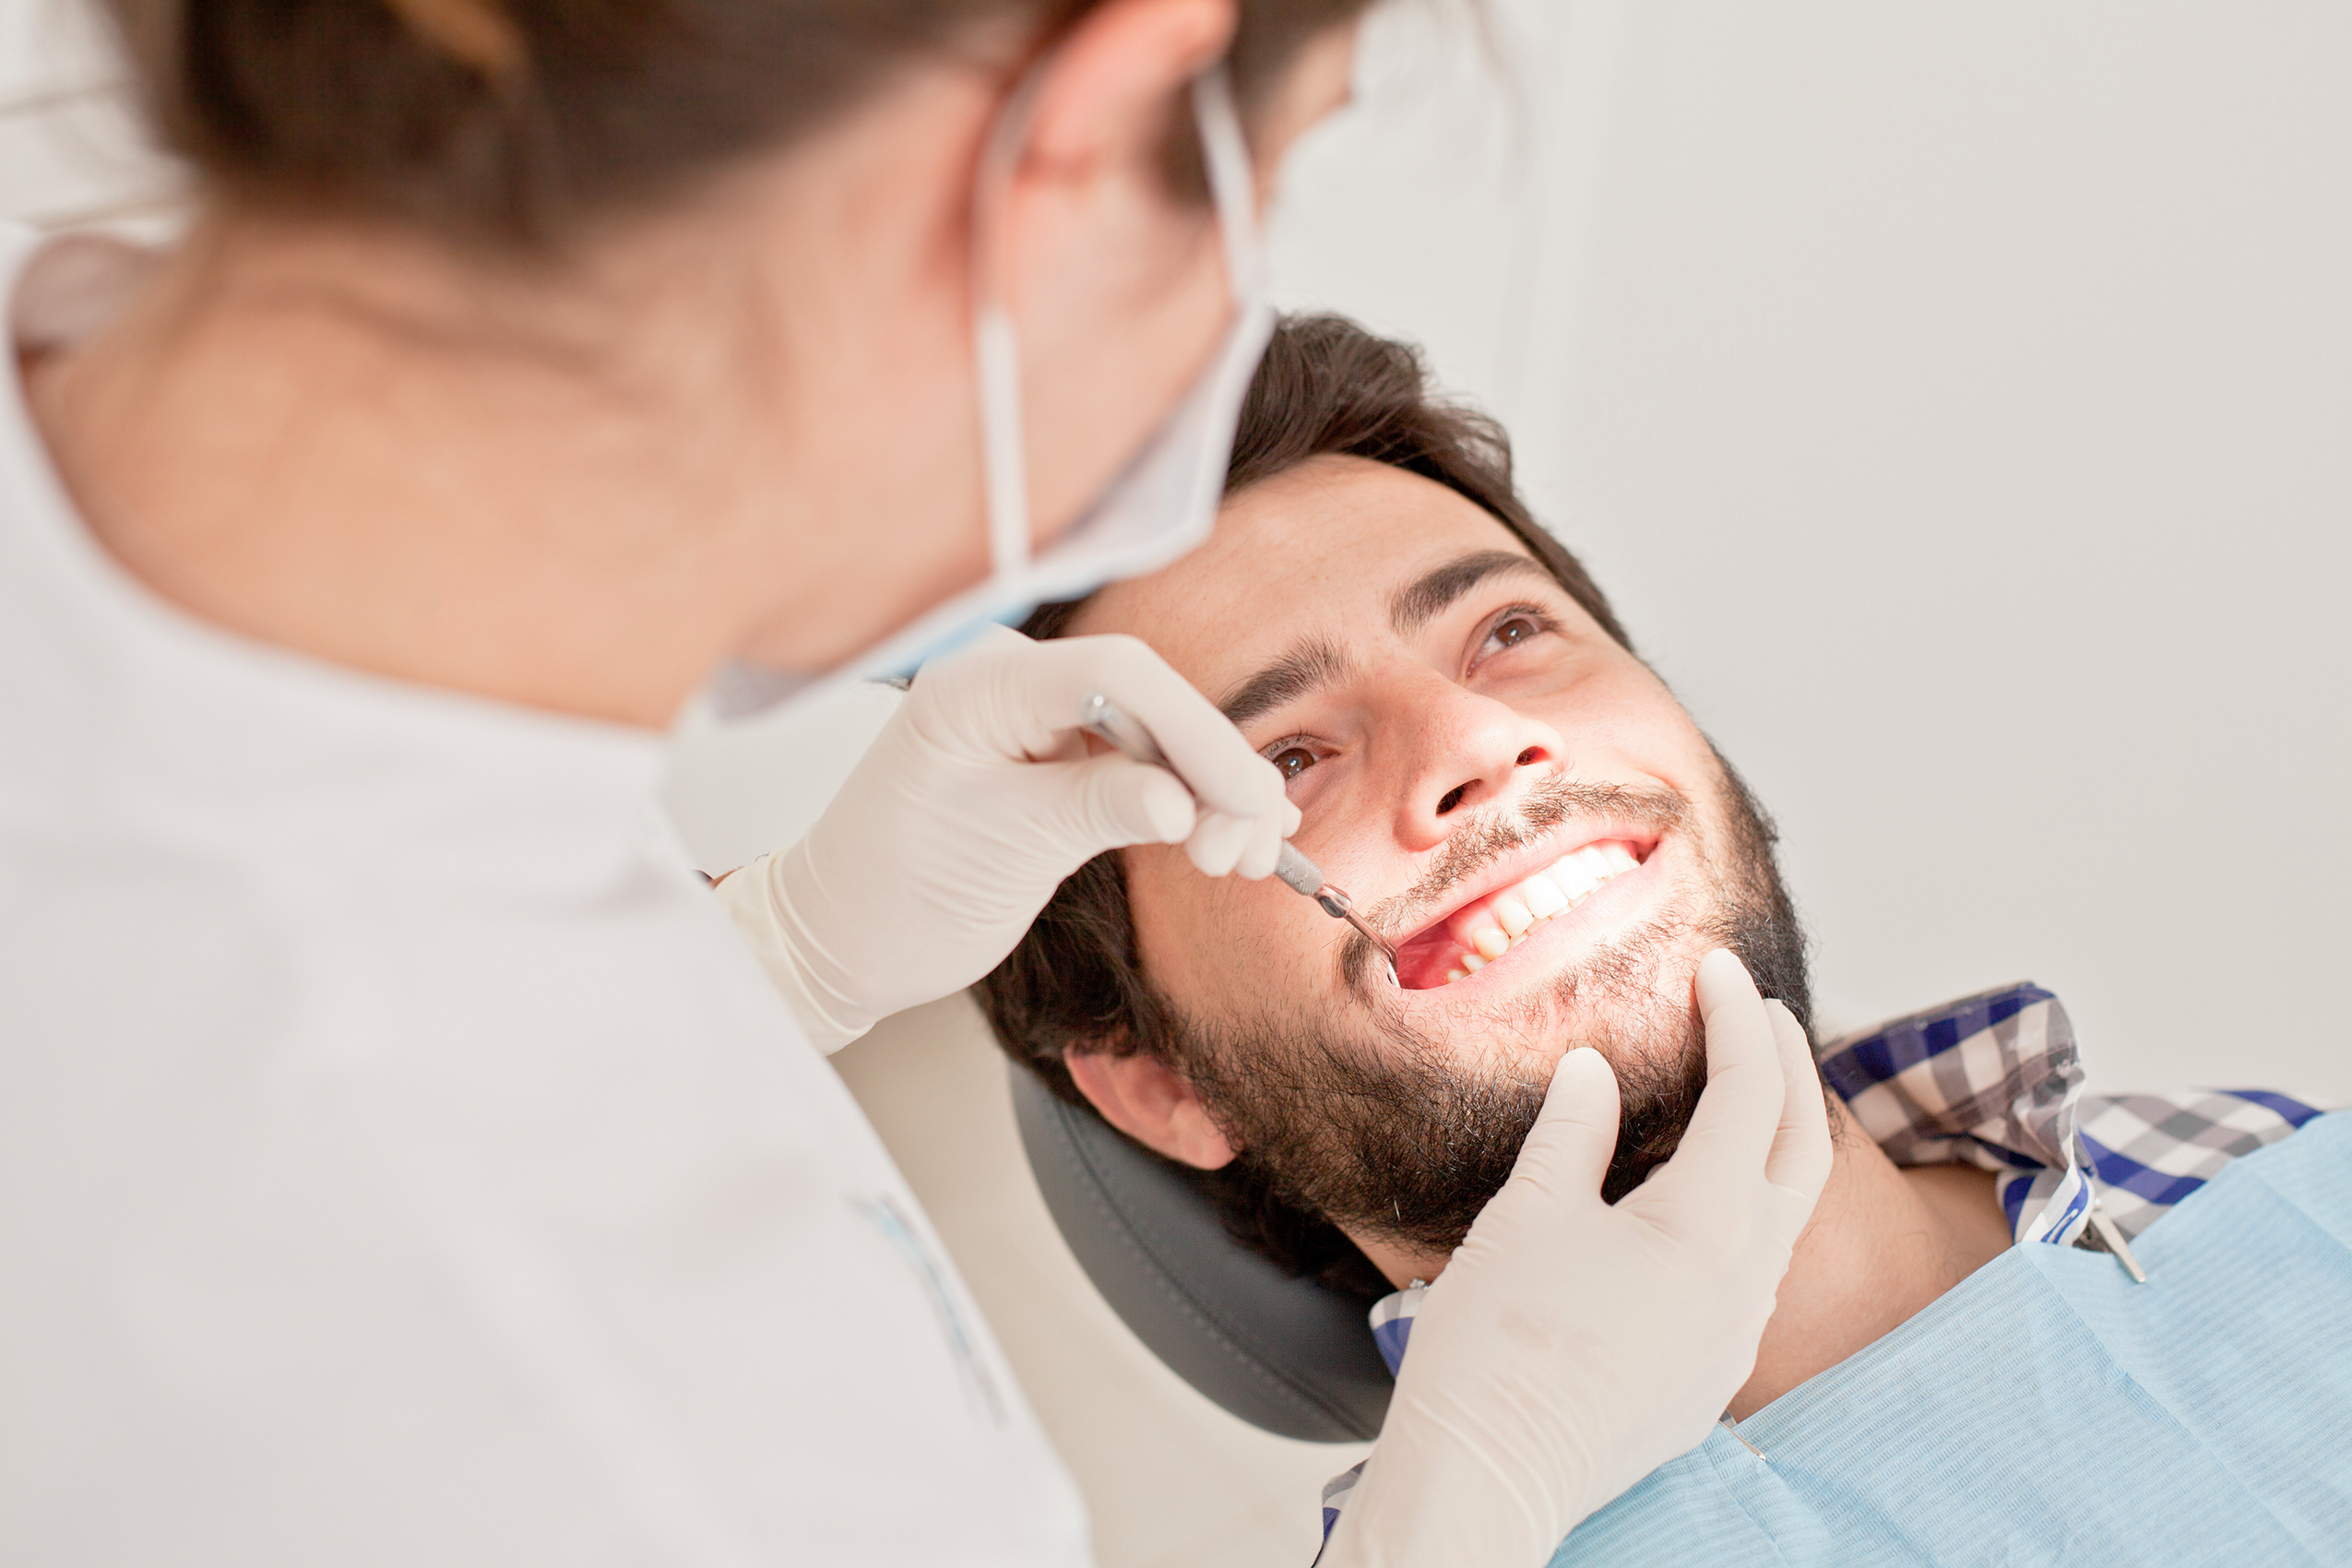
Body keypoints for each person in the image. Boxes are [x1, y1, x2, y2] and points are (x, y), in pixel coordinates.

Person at [0, 4, 1836, 1564]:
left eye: (1510, 635)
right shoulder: (588, 1429)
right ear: (1088, 127)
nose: (1471, 752)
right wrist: (1464, 1510)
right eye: (1265, 192)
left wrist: (779, 956)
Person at [976, 313, 2352, 1564]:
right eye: (1279, 760)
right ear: (1163, 1084)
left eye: (1506, 629)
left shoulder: (2276, 1179)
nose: (1477, 742)